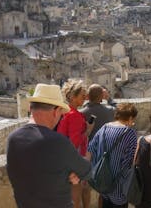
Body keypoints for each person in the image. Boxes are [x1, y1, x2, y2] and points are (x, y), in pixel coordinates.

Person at [6, 83, 91, 207]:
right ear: (56, 111)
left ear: (30, 107)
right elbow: (86, 171)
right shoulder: (59, 142)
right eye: (61, 112)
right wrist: (74, 171)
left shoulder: (12, 138)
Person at [87, 103, 138, 208]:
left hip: (102, 183)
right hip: (119, 188)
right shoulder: (130, 133)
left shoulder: (104, 128)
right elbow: (130, 162)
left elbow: (90, 150)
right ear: (130, 117)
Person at [57, 79, 90, 208]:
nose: (85, 98)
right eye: (82, 95)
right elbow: (74, 142)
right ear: (73, 96)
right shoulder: (74, 115)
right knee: (75, 200)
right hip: (73, 162)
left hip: (63, 159)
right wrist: (88, 131)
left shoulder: (64, 112)